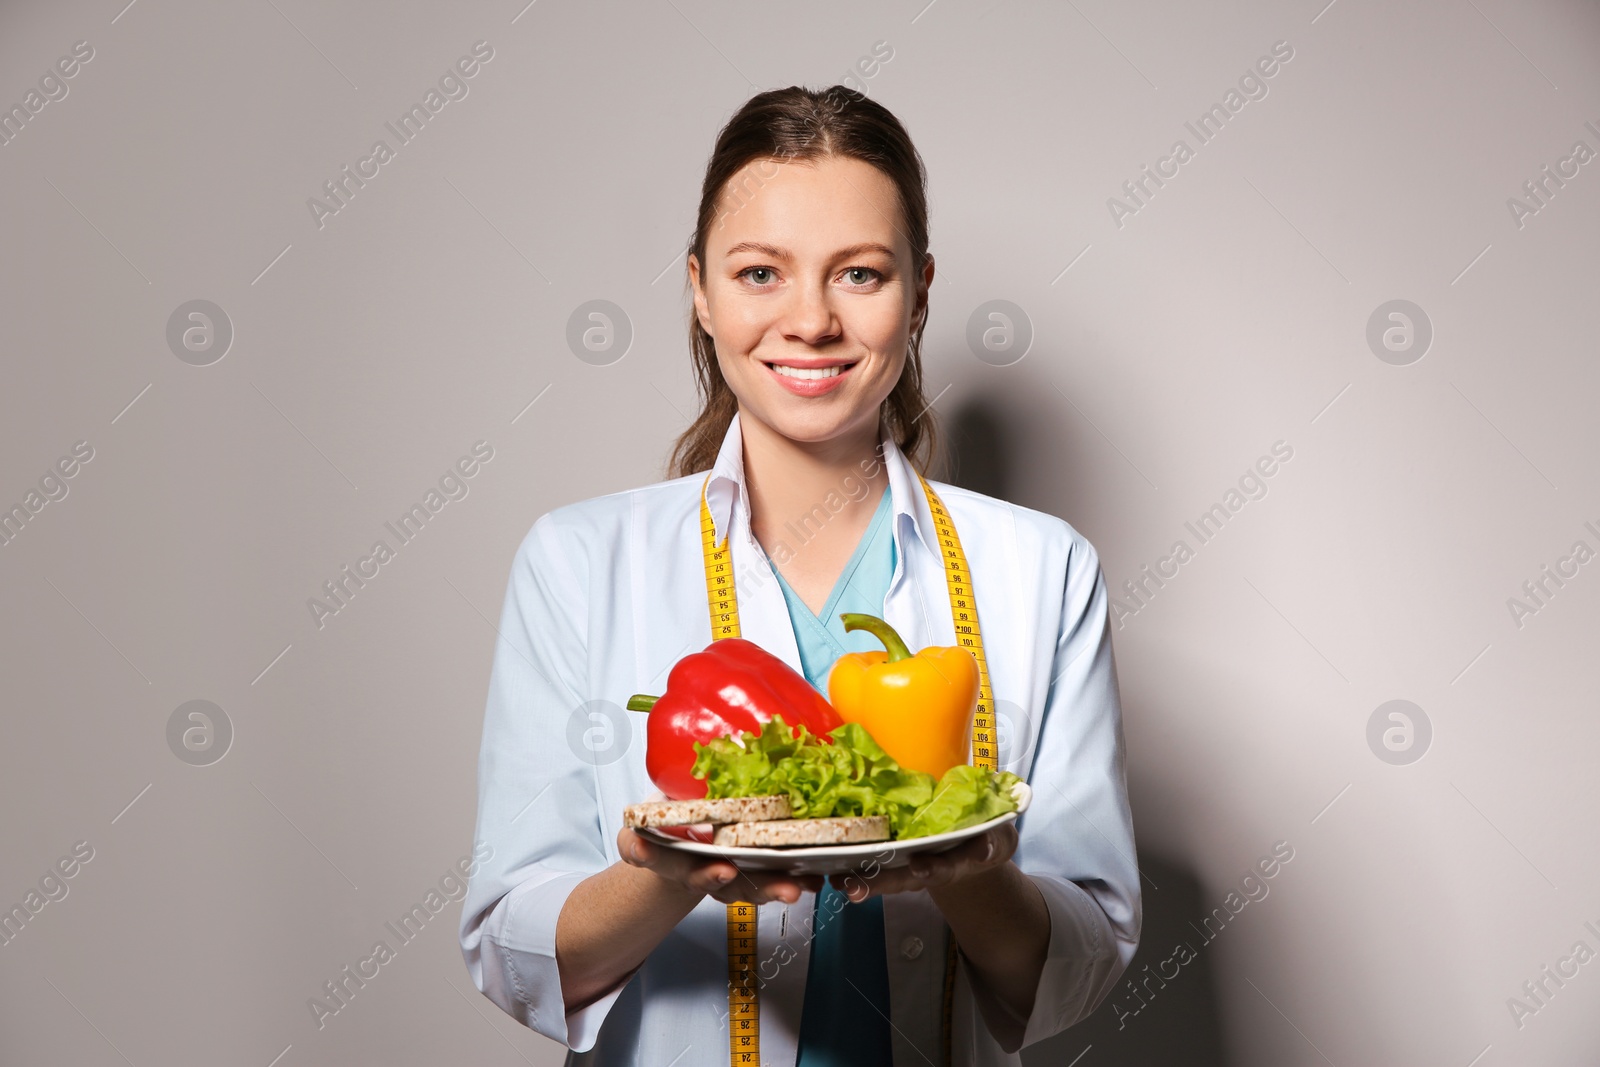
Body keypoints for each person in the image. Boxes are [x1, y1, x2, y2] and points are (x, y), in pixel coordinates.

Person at [458, 85, 1140, 1066]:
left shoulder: (1044, 570)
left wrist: (963, 869)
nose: (810, 319)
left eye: (859, 273)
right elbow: (509, 941)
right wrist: (670, 874)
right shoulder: (577, 563)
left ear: (921, 289)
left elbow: (1079, 962)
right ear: (699, 287)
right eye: (759, 272)